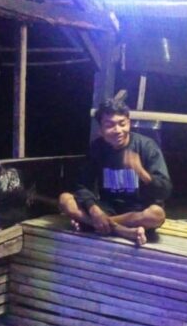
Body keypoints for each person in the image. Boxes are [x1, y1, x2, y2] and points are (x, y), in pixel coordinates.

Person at [58, 98, 172, 246]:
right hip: (108, 207)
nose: (118, 130)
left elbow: (164, 191)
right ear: (101, 130)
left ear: (129, 123)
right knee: (65, 199)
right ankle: (123, 231)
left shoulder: (147, 146)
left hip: (138, 212)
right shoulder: (97, 147)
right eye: (109, 125)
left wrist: (141, 172)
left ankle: (95, 225)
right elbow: (82, 185)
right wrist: (94, 210)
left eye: (122, 124)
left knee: (157, 214)